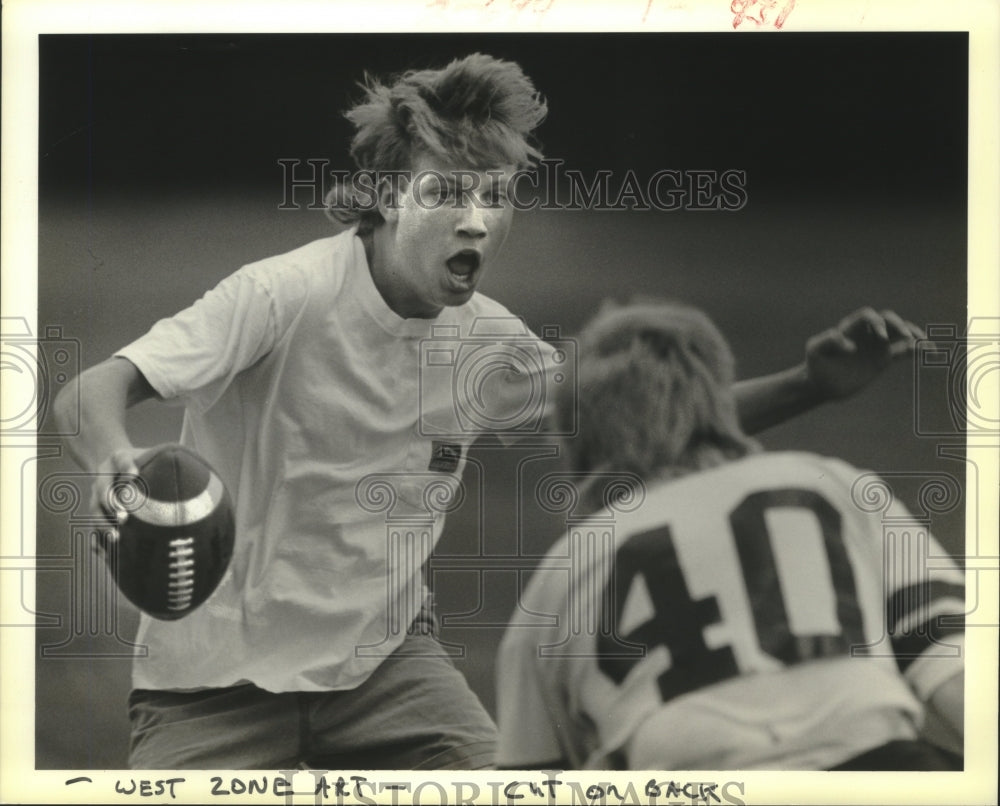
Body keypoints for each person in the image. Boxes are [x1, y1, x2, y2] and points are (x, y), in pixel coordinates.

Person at [53, 53, 924, 771]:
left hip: (386, 674)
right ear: (391, 195)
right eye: (446, 193)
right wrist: (110, 460)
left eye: (496, 197)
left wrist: (813, 384)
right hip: (210, 689)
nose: (475, 220)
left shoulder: (490, 346)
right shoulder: (281, 296)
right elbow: (89, 390)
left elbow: (651, 423)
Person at [495, 300, 965, 771]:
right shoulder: (832, 485)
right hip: (879, 765)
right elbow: (955, 674)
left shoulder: (558, 577)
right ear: (721, 404)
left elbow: (533, 782)